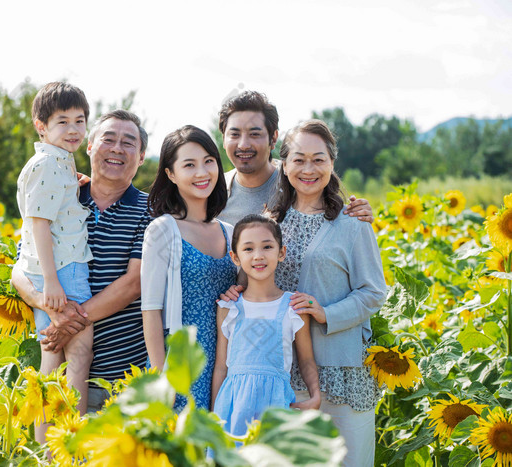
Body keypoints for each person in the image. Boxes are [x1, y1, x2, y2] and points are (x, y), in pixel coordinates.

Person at [223, 119, 386, 465]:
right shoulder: (270, 222)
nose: (308, 169)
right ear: (285, 164)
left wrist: (325, 312)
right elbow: (250, 278)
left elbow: (373, 292)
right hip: (283, 372)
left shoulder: (352, 223)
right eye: (298, 159)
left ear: (331, 164)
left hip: (342, 369)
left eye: (318, 159)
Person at [11, 109, 150, 413]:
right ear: (89, 146)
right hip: (58, 378)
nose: (116, 148)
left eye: (129, 143)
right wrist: (46, 303)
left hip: (120, 384)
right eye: (108, 139)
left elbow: (134, 283)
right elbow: (21, 268)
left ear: (141, 157)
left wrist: (70, 322)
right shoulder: (59, 194)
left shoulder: (151, 210)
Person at [12, 82, 94, 431]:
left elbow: (52, 212)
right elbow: (39, 225)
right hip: (62, 271)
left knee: (54, 356)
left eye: (80, 120)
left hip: (58, 270)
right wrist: (50, 282)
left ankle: (48, 448)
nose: (73, 129)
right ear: (41, 126)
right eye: (63, 121)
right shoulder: (48, 165)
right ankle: (65, 443)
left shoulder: (55, 163)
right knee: (76, 356)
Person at [141, 125, 236, 411]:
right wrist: (160, 379)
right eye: (189, 165)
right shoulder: (162, 230)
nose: (202, 172)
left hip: (226, 365)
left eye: (209, 161)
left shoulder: (231, 232)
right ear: (170, 174)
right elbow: (151, 310)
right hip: (180, 367)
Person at [211, 214, 320, 437]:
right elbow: (222, 367)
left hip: (276, 409)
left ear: (281, 253)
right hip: (231, 409)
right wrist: (214, 417)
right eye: (248, 249)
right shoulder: (228, 307)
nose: (258, 256)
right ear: (235, 257)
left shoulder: (293, 306)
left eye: (267, 247)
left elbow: (307, 359)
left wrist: (315, 395)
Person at [216, 90, 373, 225]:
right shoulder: (213, 191)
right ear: (223, 139)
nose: (243, 145)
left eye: (255, 134)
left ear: (273, 138)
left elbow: (335, 215)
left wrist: (357, 214)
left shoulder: (299, 180)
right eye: (234, 134)